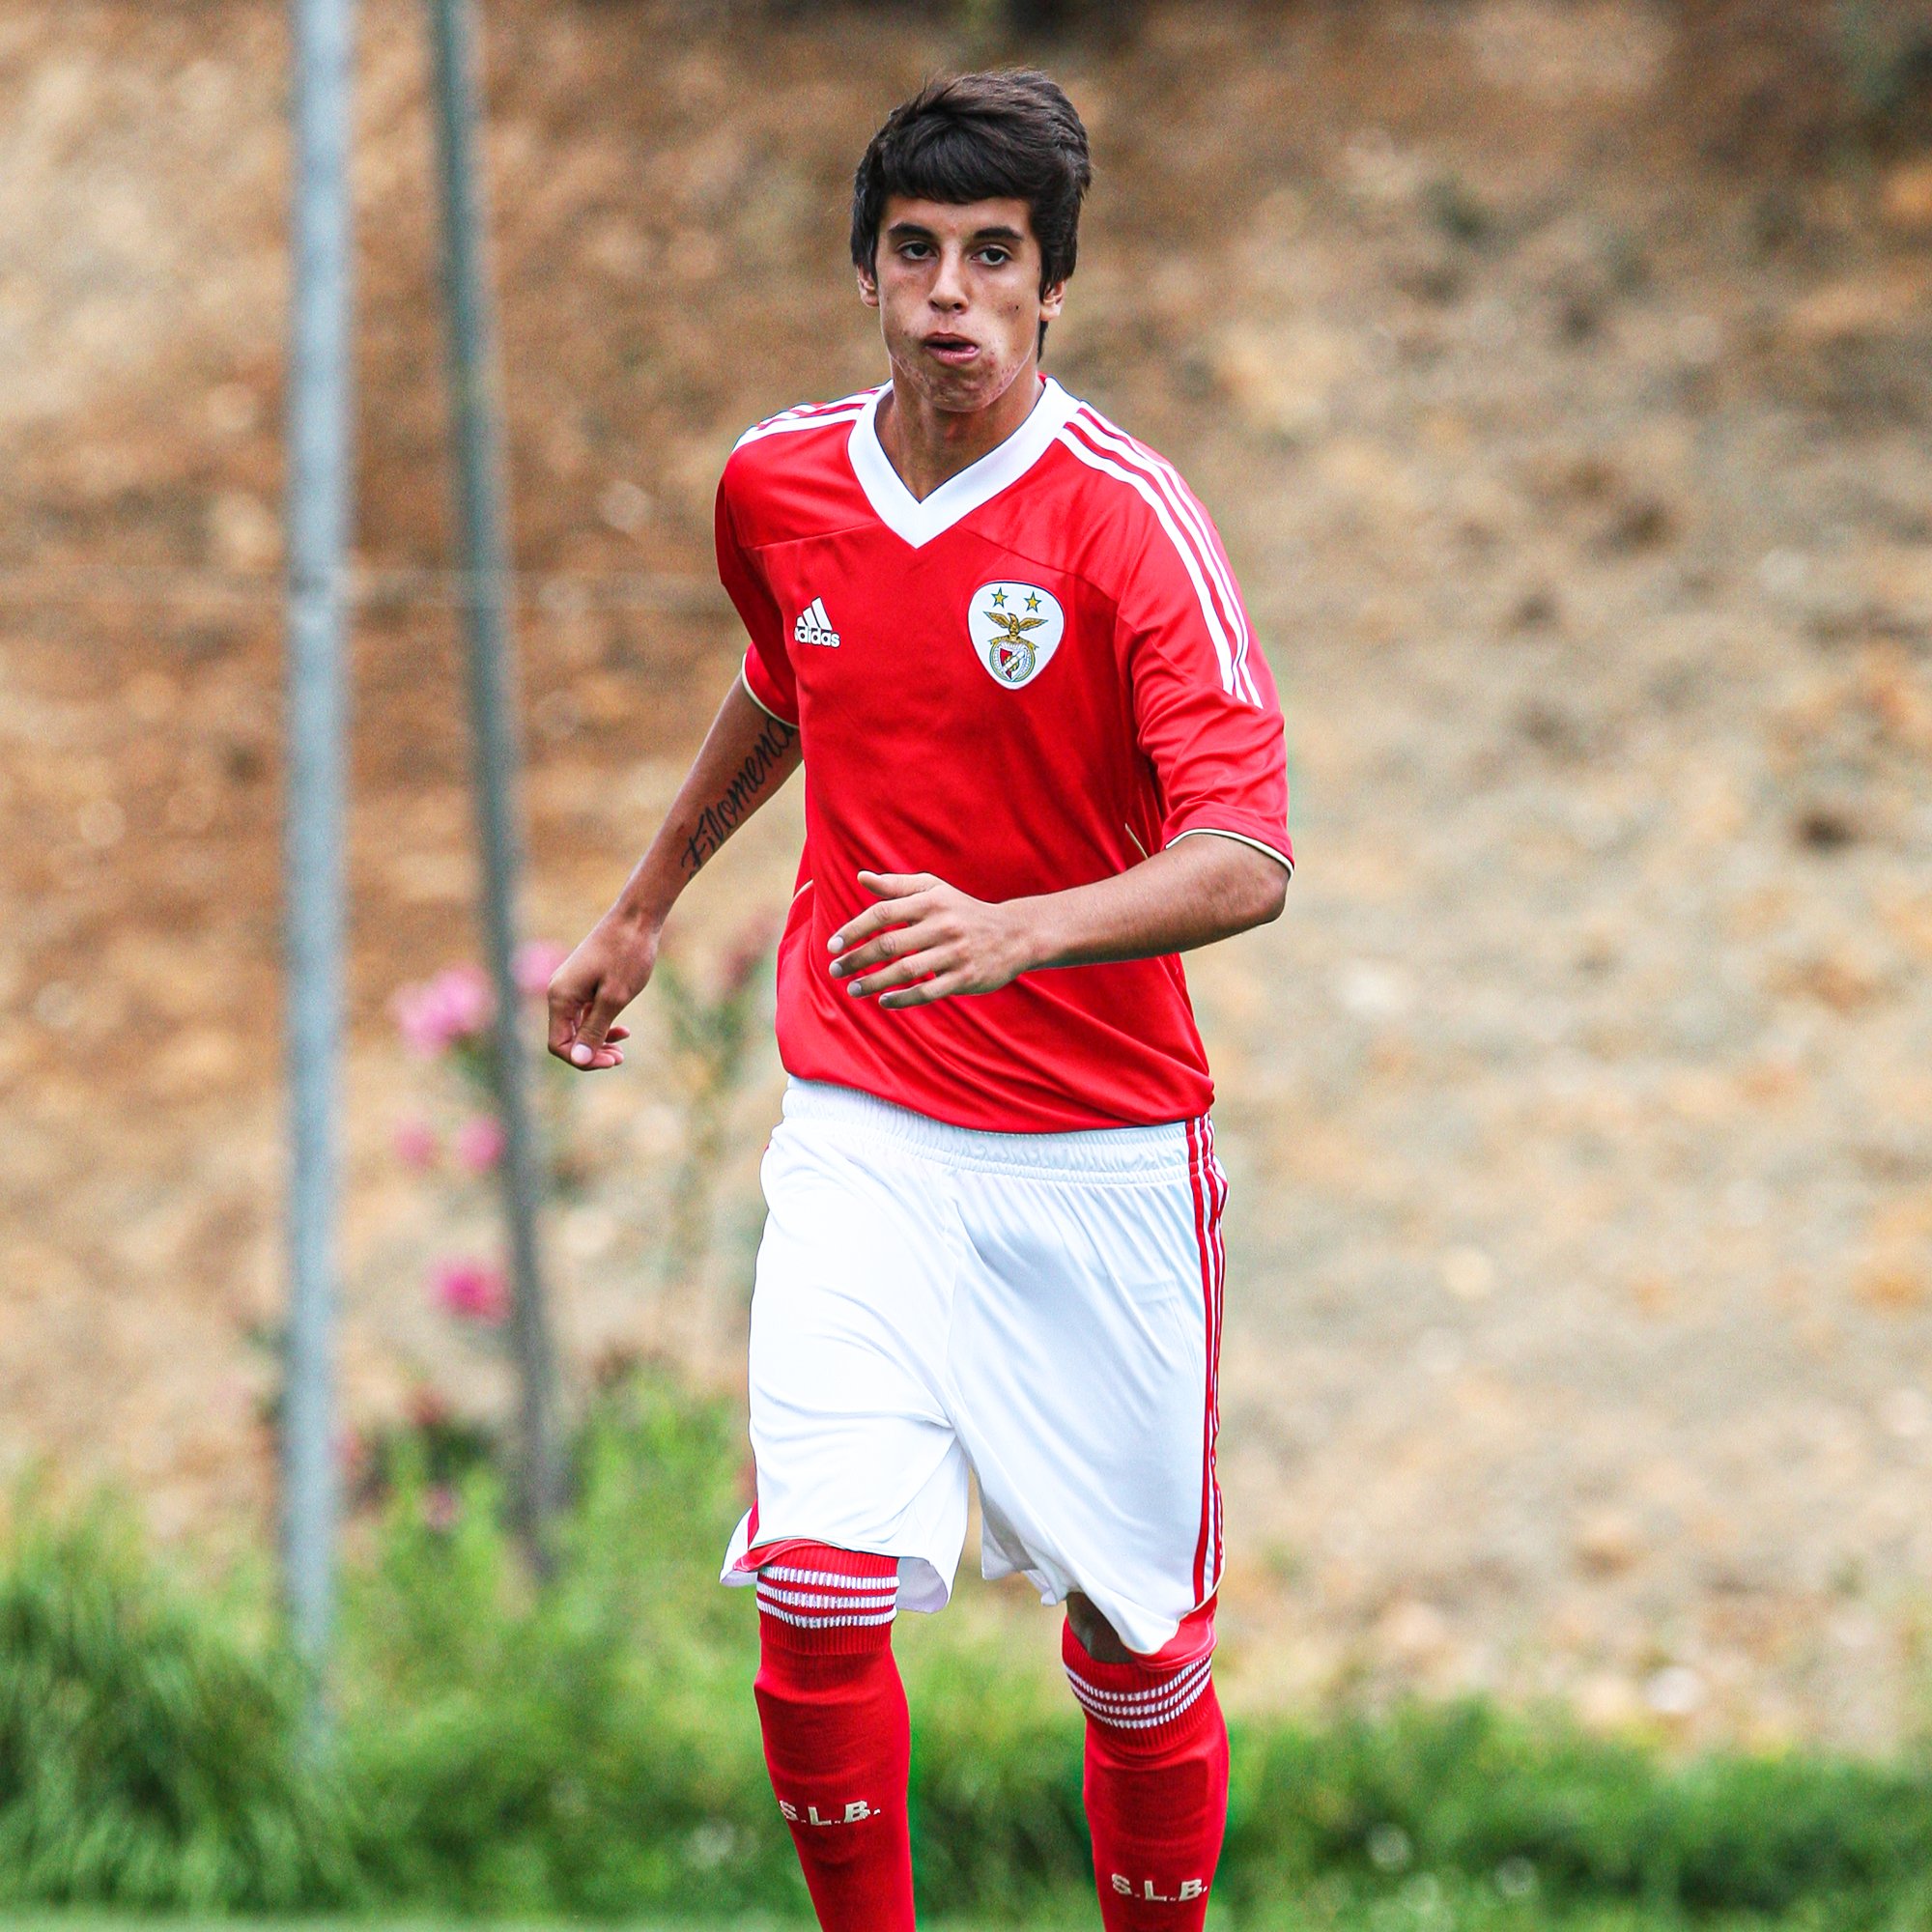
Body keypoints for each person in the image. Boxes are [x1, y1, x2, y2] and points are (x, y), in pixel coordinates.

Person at [548, 68, 1291, 1930]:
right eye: (915, 252)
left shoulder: (1129, 524)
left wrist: (1019, 928)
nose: (949, 292)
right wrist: (645, 904)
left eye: (993, 257)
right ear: (864, 271)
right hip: (866, 1125)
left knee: (1135, 1648)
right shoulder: (779, 482)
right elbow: (797, 678)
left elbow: (1250, 857)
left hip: (1101, 1160)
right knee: (812, 1594)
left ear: (1053, 288)